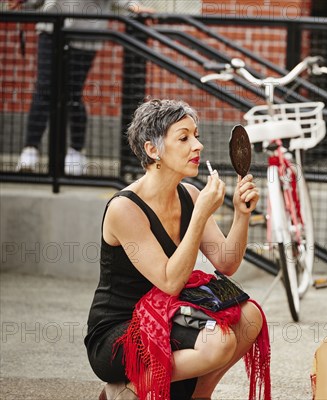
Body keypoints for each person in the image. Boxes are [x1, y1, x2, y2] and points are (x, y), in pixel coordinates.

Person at [84, 99, 266, 400]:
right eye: (184, 138)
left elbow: (226, 262)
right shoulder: (125, 208)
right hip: (121, 331)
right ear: (153, 150)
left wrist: (241, 214)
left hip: (169, 314)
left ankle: (199, 396)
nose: (198, 146)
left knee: (249, 318)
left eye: (196, 135)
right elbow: (170, 282)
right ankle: (131, 387)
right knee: (216, 341)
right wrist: (200, 216)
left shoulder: (191, 195)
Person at [11, 0, 154, 175]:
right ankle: (30, 150)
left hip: (85, 33)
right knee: (44, 90)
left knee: (72, 94)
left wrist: (132, 5)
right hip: (51, 28)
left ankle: (75, 153)